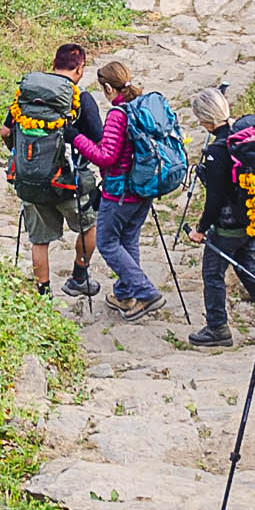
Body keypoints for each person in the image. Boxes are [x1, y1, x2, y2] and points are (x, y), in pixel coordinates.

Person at [185, 86, 255, 348]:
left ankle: (217, 328)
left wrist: (200, 229)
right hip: (252, 219)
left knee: (212, 272)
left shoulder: (218, 151)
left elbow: (215, 200)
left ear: (206, 121)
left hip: (229, 226)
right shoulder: (241, 140)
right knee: (248, 268)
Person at [73, 60, 164, 321]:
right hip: (143, 189)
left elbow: (105, 157)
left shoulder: (118, 114)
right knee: (128, 240)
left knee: (108, 243)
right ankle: (125, 295)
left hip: (120, 190)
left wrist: (76, 138)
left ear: (109, 89)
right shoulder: (141, 107)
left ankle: (146, 293)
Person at [10, 42, 103, 297]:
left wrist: (20, 159)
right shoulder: (80, 97)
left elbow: (7, 131)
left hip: (30, 179)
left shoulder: (27, 94)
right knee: (89, 227)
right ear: (80, 68)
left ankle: (43, 294)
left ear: (53, 64)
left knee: (39, 239)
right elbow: (99, 140)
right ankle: (79, 276)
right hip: (68, 182)